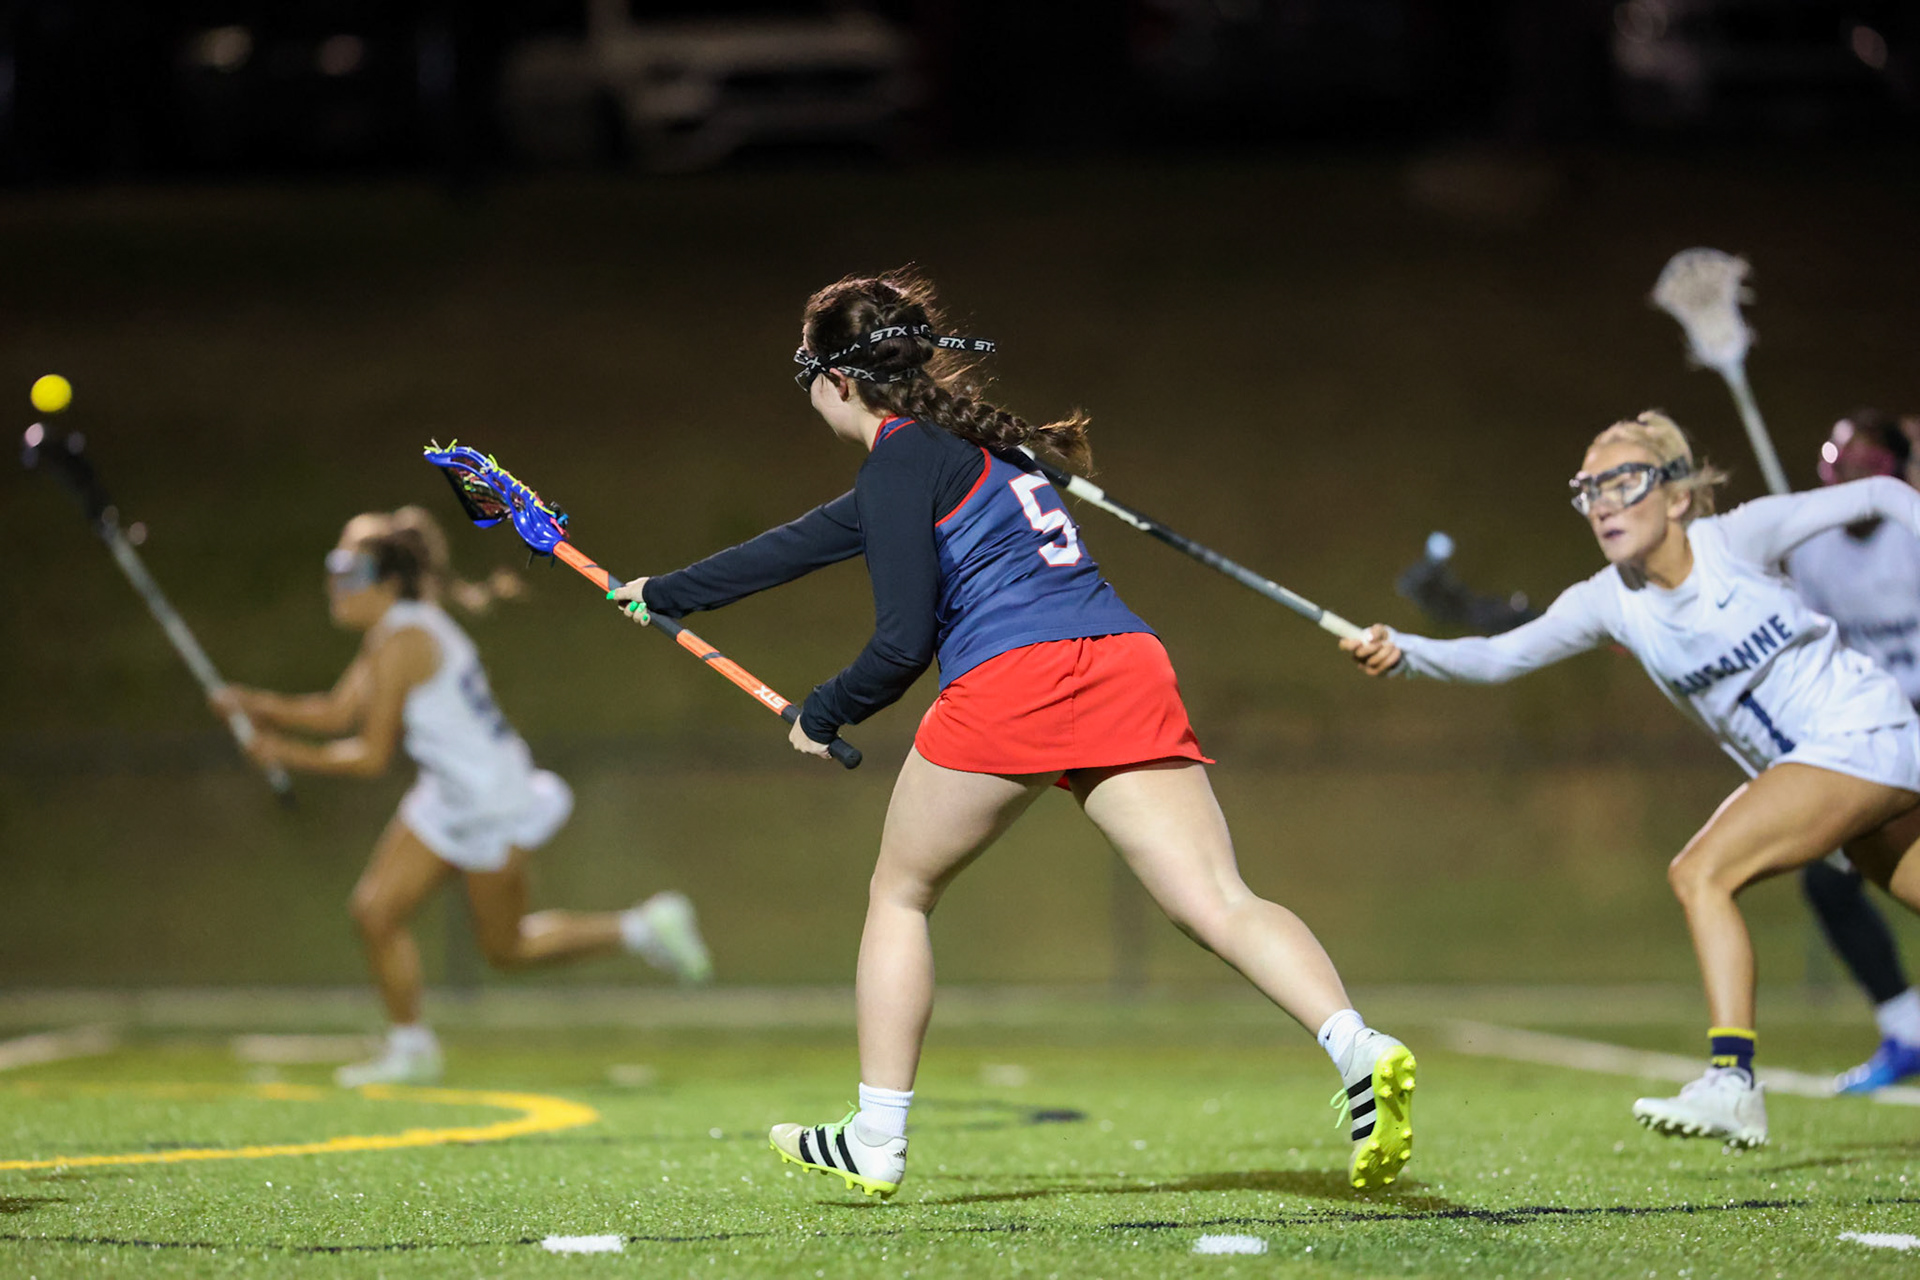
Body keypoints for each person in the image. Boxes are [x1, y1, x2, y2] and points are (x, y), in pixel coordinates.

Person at [607, 270, 1419, 1198]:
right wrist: (664, 593)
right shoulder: (977, 448)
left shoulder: (905, 460)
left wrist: (825, 709)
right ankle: (1356, 1046)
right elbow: (808, 541)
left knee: (901, 894)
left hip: (1015, 678)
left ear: (835, 379)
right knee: (1219, 899)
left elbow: (901, 644)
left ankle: (877, 1136)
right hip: (1122, 659)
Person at [1343, 411, 1920, 1147]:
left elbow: (1880, 495)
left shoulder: (1737, 539)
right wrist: (1406, 651)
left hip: (1864, 732)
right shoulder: (1609, 601)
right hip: (1825, 764)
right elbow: (1499, 658)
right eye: (1590, 490)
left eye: (1624, 482)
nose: (1604, 504)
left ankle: (1733, 1081)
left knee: (1701, 872)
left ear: (1676, 496)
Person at [215, 506, 711, 1087]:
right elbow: (336, 710)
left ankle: (644, 927)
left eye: (349, 570)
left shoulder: (405, 641)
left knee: (506, 949)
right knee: (375, 913)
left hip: (487, 800)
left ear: (387, 582)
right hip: (449, 792)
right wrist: (253, 703)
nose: (335, 582)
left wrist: (282, 753)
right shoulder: (396, 629)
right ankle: (412, 1049)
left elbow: (371, 755)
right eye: (334, 566)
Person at [1787, 411, 1920, 1092]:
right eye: (1838, 466)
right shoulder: (1810, 549)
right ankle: (1908, 1029)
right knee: (1829, 879)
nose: (1849, 483)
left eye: (1867, 469)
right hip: (1874, 735)